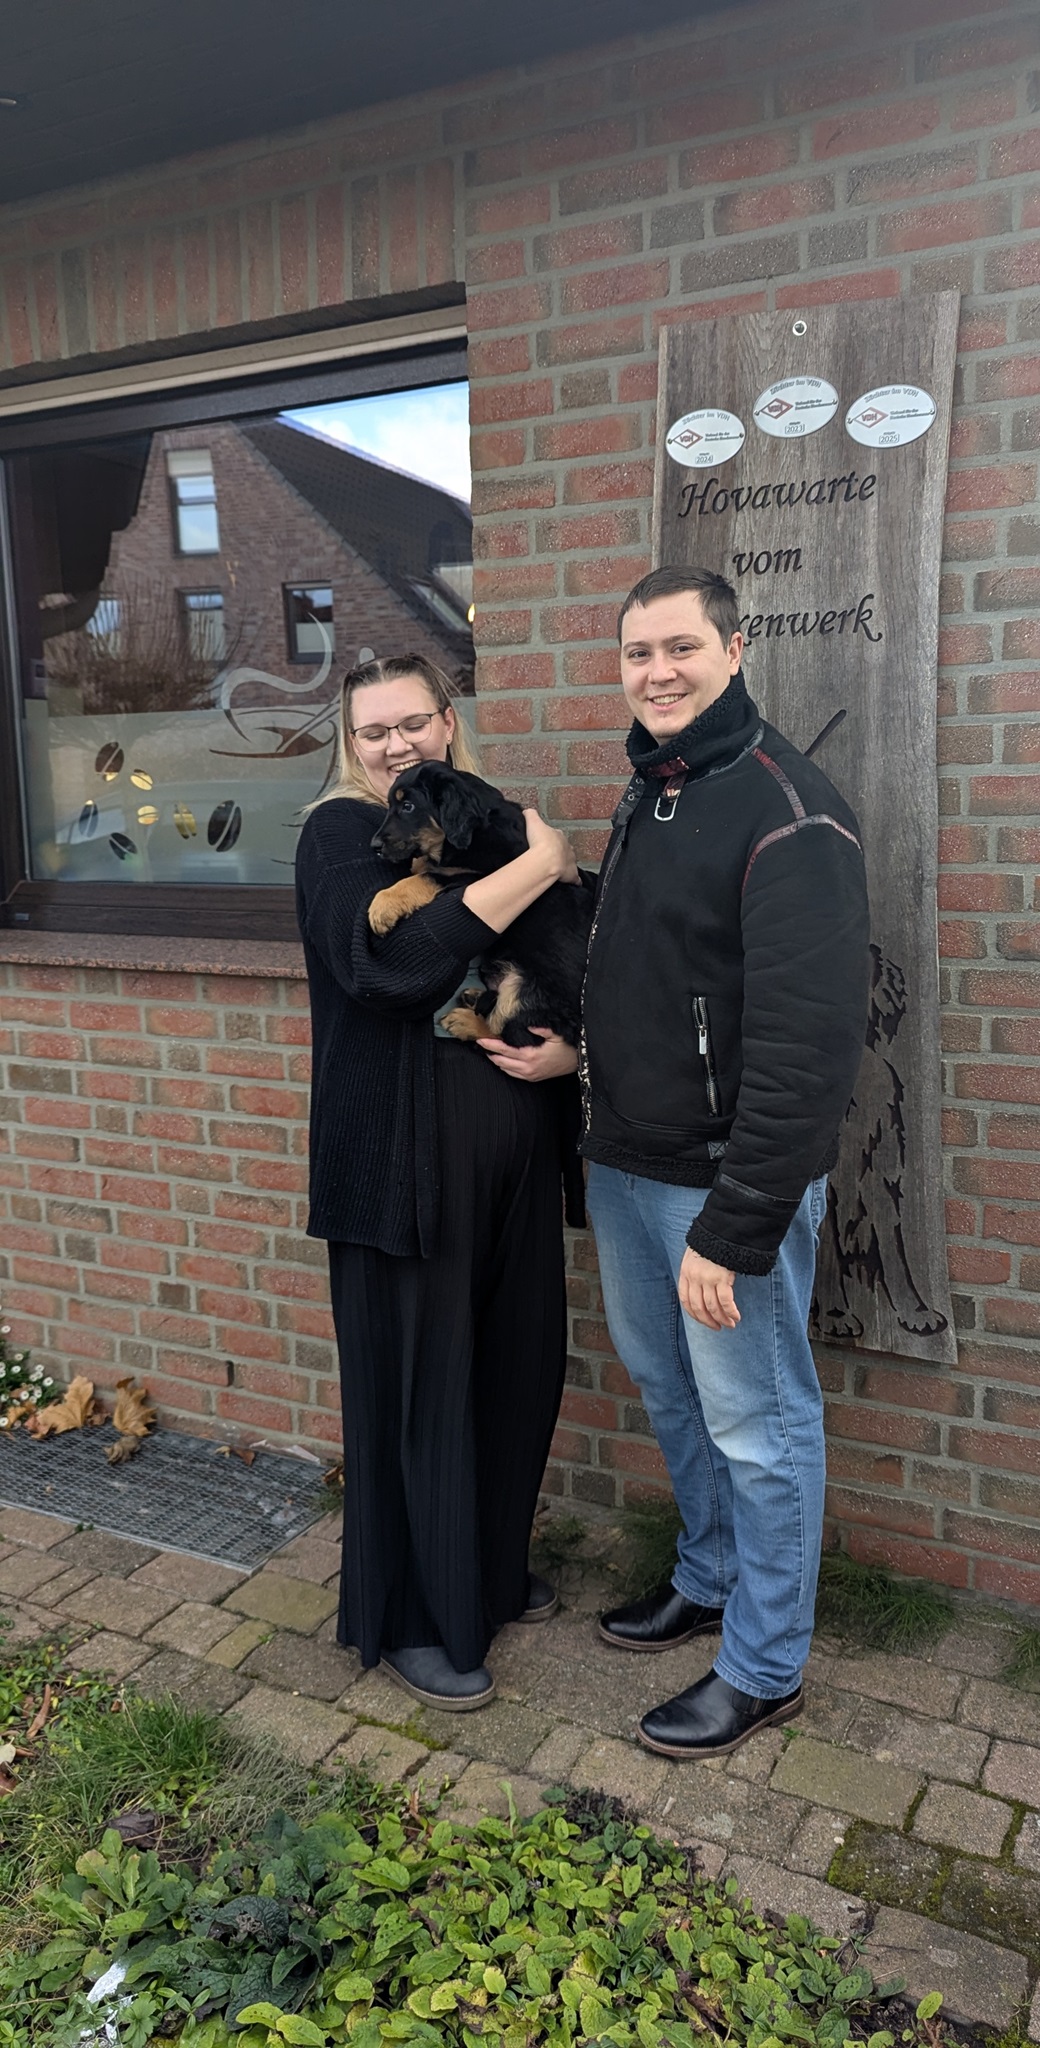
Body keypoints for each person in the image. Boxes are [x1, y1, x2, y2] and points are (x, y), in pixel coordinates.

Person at [580, 567, 870, 1760]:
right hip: (626, 1163)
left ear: (735, 649)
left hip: (720, 1184)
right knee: (671, 1388)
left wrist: (738, 1220)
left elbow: (808, 1049)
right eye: (638, 651)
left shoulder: (787, 809)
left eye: (681, 647)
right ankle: (707, 1574)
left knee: (760, 1421)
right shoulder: (656, 785)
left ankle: (764, 1664)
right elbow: (654, 973)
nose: (658, 671)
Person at [295, 654, 579, 1712]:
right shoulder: (340, 834)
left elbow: (558, 955)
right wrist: (539, 864)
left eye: (411, 722)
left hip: (510, 1155)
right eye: (372, 730)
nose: (394, 744)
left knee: (515, 1365)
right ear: (349, 741)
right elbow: (390, 968)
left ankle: (487, 1570)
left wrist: (570, 1054)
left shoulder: (480, 818)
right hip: (399, 1168)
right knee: (421, 1386)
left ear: (448, 722)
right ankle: (414, 1613)